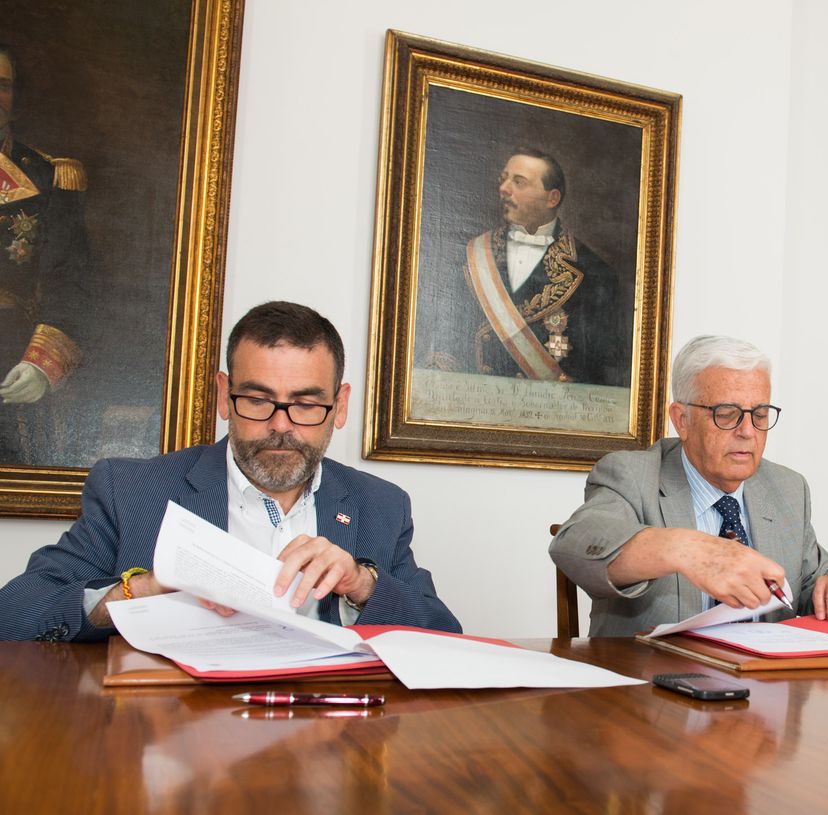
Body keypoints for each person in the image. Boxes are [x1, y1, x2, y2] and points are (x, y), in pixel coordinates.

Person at [0, 301, 461, 641]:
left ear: (339, 406)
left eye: (305, 403)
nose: (280, 426)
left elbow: (444, 635)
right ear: (224, 395)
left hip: (328, 744)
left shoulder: (380, 504)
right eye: (258, 400)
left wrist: (359, 585)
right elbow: (14, 616)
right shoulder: (130, 489)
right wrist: (140, 590)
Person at [550, 335, 828, 636]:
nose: (747, 431)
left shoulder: (787, 488)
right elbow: (574, 545)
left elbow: (813, 585)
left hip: (760, 686)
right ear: (682, 419)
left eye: (759, 414)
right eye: (727, 414)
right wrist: (688, 549)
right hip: (652, 681)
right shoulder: (633, 476)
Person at [427, 147, 633, 386]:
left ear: (552, 198)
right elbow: (444, 346)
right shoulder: (468, 258)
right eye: (503, 180)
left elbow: (606, 374)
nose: (504, 189)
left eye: (519, 182)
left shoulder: (595, 274)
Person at [0, 44, 95, 463]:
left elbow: (70, 278)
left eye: (2, 85)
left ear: (15, 97)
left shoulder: (49, 175)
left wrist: (42, 364)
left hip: (9, 356)